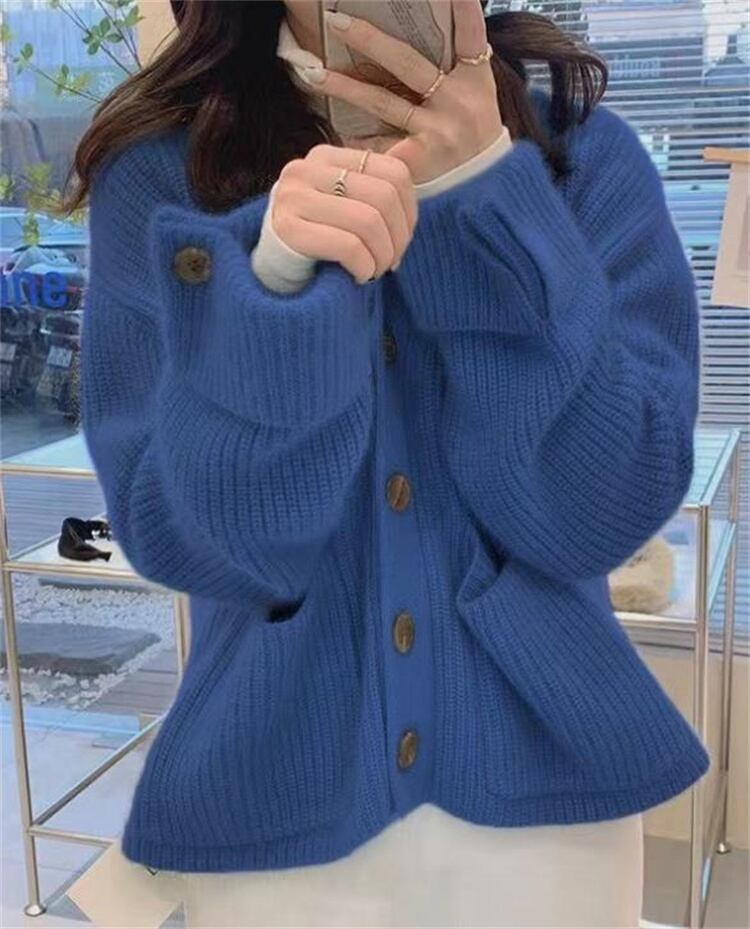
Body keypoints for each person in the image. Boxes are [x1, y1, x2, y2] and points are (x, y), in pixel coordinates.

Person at [61, 1, 711, 926]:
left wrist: (491, 197)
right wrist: (272, 286)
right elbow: (194, 544)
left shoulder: (579, 153)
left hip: (550, 826)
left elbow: (600, 511)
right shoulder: (164, 168)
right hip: (275, 817)